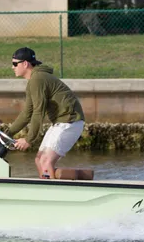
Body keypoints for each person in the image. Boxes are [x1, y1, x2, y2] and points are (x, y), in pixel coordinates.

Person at [6, 47, 86, 179]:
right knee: (39, 159)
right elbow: (27, 113)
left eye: (15, 64)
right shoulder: (34, 80)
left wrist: (29, 140)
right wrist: (8, 133)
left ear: (25, 64)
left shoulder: (38, 79)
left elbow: (38, 112)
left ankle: (54, 194)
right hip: (61, 123)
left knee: (45, 160)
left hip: (69, 122)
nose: (12, 67)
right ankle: (48, 188)